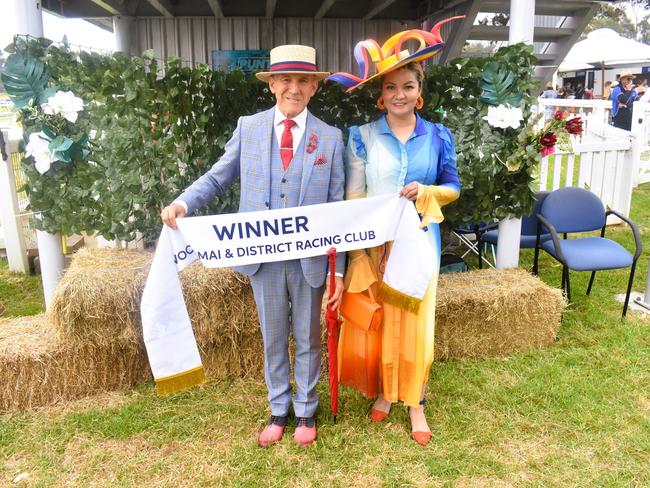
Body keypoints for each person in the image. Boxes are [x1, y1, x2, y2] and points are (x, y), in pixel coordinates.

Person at [160, 44, 345, 448]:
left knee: (308, 337)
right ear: (272, 85)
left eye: (303, 81)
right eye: (286, 80)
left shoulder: (330, 139)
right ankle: (279, 408)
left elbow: (338, 211)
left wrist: (340, 273)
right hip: (262, 260)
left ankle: (307, 410)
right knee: (273, 335)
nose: (293, 88)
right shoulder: (250, 127)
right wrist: (183, 202)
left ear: (314, 87)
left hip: (310, 261)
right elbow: (218, 176)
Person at [326, 21, 461, 446]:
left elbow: (454, 188)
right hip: (376, 246)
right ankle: (386, 391)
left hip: (420, 243)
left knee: (418, 322)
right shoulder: (361, 137)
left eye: (407, 86)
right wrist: (357, 254)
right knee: (383, 321)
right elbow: (354, 197)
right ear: (380, 95)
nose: (398, 95)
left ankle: (415, 401)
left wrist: (427, 191)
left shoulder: (439, 136)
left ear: (419, 90)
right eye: (390, 88)